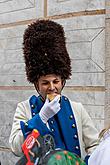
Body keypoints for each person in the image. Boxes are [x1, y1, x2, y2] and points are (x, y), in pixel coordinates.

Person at [9, 19, 99, 164]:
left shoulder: (77, 108)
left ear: (62, 81)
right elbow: (15, 147)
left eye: (56, 81)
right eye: (45, 83)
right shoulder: (24, 108)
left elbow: (94, 145)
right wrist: (41, 118)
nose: (52, 87)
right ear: (36, 84)